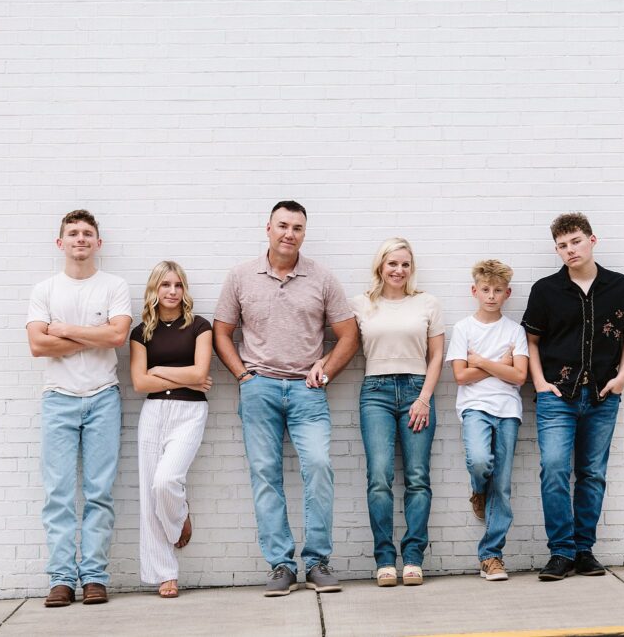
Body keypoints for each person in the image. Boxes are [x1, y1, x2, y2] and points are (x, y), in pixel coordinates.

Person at [213, 200, 359, 597]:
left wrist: (325, 369)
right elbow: (221, 331)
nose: (289, 234)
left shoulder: (322, 278)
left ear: (304, 233)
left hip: (306, 391)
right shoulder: (241, 276)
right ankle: (281, 564)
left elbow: (349, 335)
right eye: (282, 225)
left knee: (319, 466)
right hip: (259, 387)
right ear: (268, 228)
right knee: (265, 474)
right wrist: (243, 375)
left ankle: (317, 562)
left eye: (296, 228)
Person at [522, 212, 624, 581]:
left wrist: (621, 379)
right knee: (555, 469)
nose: (570, 250)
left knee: (592, 473)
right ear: (556, 250)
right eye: (562, 245)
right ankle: (561, 553)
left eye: (575, 241)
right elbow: (531, 341)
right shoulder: (545, 290)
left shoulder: (620, 286)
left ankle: (583, 550)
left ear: (592, 240)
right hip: (557, 396)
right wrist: (539, 382)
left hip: (603, 396)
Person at [26, 209, 132, 607]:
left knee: (99, 492)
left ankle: (94, 577)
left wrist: (65, 330)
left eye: (87, 233)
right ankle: (61, 579)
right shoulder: (45, 290)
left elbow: (118, 336)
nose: (81, 239)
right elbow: (38, 345)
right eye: (73, 233)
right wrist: (94, 336)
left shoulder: (114, 286)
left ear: (98, 243)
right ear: (61, 243)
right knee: (58, 493)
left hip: (103, 396)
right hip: (59, 398)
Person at [345, 238, 444, 587]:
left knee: (417, 477)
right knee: (379, 477)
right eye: (392, 264)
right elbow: (343, 344)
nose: (398, 270)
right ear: (380, 266)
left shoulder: (427, 303)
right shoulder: (360, 304)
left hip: (418, 390)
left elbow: (437, 355)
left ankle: (413, 558)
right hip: (376, 393)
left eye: (404, 264)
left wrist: (424, 398)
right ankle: (385, 560)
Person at [129, 261, 213, 599]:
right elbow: (139, 383)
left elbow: (200, 374)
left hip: (190, 412)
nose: (173, 291)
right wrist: (183, 375)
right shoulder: (141, 333)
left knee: (165, 481)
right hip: (153, 413)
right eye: (165, 285)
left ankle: (178, 515)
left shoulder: (199, 326)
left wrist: (158, 369)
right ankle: (165, 574)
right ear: (155, 289)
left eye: (178, 285)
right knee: (149, 495)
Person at [446, 259, 529, 582]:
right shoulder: (463, 329)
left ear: (507, 293)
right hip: (475, 407)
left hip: (508, 410)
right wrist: (498, 364)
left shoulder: (515, 331)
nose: (491, 296)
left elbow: (519, 376)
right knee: (480, 462)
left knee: (502, 486)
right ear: (474, 291)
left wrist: (480, 361)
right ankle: (478, 490)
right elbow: (461, 376)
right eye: (485, 290)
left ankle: (491, 556)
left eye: (497, 290)